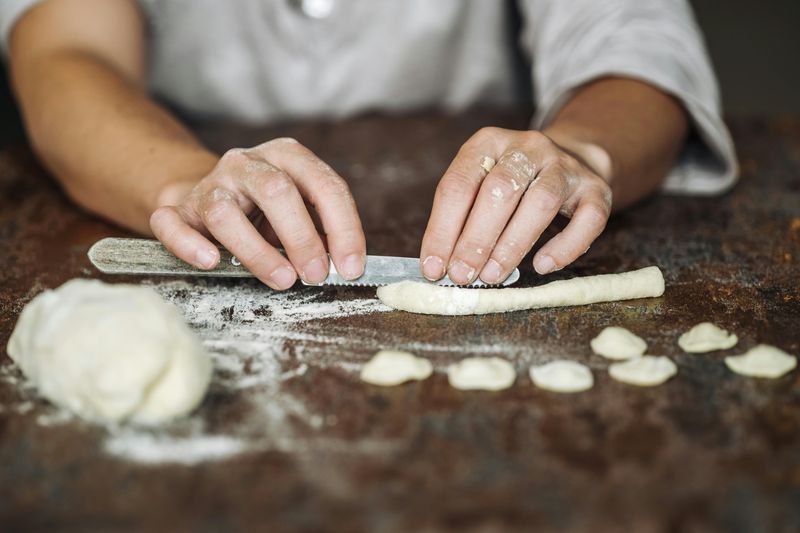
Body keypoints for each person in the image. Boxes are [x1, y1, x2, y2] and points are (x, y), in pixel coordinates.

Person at [1, 0, 736, 290]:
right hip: (160, 145)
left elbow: (638, 44)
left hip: (476, 168)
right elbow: (66, 52)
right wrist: (177, 179)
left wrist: (585, 151)